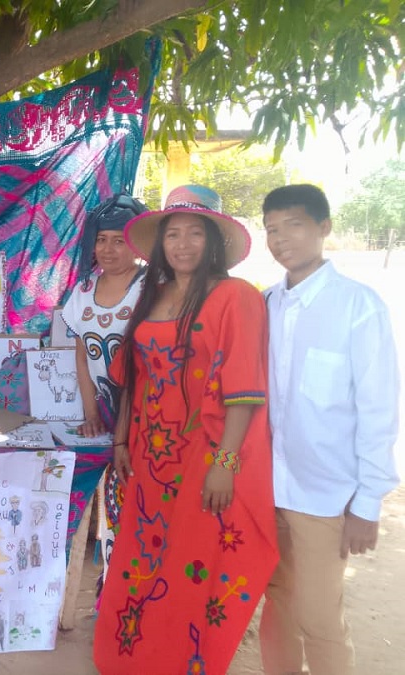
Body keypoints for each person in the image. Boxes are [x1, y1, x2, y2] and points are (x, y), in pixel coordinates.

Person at [93, 185, 278, 674]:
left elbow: (244, 388)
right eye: (173, 234)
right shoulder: (152, 293)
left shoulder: (236, 296)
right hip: (148, 456)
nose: (182, 244)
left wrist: (225, 463)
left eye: (195, 233)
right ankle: (132, 657)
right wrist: (120, 440)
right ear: (161, 243)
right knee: (142, 557)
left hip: (203, 455)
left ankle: (179, 662)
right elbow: (132, 375)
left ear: (213, 241)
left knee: (189, 563)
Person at [258, 184, 400, 675]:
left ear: (324, 228)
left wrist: (368, 502)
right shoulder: (266, 304)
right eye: (271, 229)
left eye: (293, 225)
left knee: (319, 617)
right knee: (277, 603)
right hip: (268, 489)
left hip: (325, 494)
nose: (281, 239)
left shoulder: (358, 306)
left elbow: (378, 409)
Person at [61, 192, 148, 437]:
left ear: (136, 246)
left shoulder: (152, 286)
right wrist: (92, 416)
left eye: (119, 241)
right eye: (101, 239)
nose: (107, 249)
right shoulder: (83, 290)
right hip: (107, 410)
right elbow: (82, 359)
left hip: (147, 412)